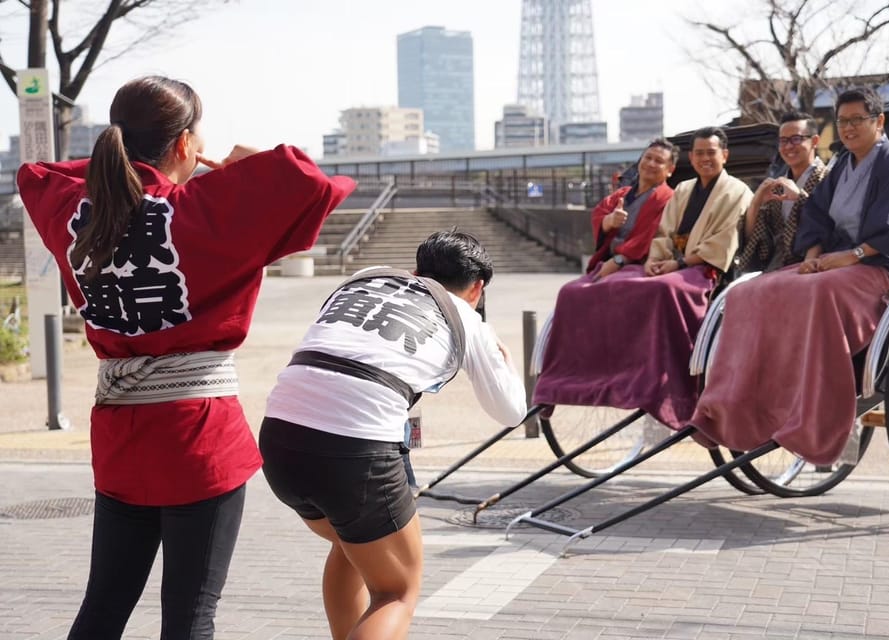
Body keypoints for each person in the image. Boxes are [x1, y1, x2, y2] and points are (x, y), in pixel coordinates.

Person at [16, 76, 355, 639]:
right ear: (184, 146)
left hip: (121, 434)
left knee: (102, 607)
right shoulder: (205, 210)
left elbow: (37, 175)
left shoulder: (77, 211)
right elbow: (314, 184)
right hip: (198, 435)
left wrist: (118, 161)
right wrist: (252, 163)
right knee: (190, 615)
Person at [258, 230, 527, 640]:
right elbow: (511, 412)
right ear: (478, 288)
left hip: (279, 437)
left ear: (417, 269)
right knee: (397, 591)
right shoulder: (467, 317)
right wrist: (503, 360)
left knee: (352, 548)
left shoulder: (365, 278)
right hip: (354, 451)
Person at [691, 87, 889, 465]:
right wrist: (815, 256)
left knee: (816, 295)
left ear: (879, 121)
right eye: (843, 121)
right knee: (748, 294)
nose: (848, 128)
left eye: (857, 120)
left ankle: (812, 416)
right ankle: (730, 405)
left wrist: (844, 259)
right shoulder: (840, 167)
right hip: (831, 264)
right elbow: (815, 216)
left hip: (874, 269)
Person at [534, 127, 751, 430]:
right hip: (669, 263)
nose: (704, 158)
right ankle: (567, 379)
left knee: (658, 290)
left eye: (710, 152)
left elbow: (723, 241)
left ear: (724, 155)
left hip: (702, 267)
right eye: (699, 152)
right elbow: (662, 235)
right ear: (691, 156)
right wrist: (656, 261)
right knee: (572, 292)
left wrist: (671, 262)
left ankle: (660, 381)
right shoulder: (685, 190)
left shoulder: (737, 191)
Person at [738, 111, 828, 272]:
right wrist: (756, 203)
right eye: (783, 141)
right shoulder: (778, 186)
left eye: (796, 139)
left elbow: (829, 225)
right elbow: (758, 240)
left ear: (814, 141)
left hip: (814, 264)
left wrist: (800, 198)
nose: (788, 147)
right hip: (776, 266)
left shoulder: (829, 178)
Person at [585, 139, 677, 277]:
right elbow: (598, 213)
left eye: (658, 161)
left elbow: (651, 235)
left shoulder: (669, 198)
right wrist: (609, 221)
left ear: (670, 170)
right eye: (648, 157)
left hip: (639, 264)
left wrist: (620, 260)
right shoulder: (622, 194)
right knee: (570, 291)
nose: (651, 163)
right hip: (609, 259)